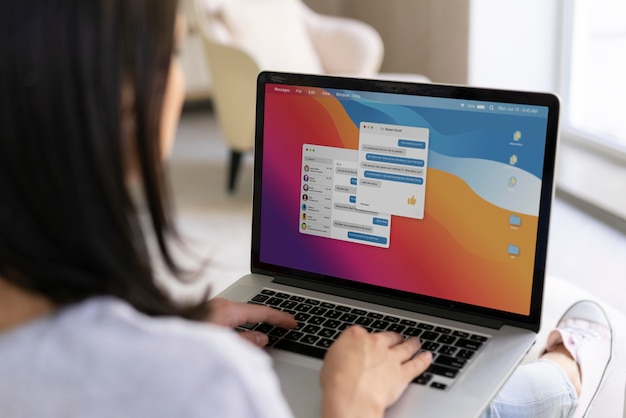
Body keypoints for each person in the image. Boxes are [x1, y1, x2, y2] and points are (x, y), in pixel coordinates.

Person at [0, 1, 612, 418]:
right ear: (124, 106)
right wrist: (350, 403)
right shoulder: (206, 383)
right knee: (505, 397)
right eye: (169, 57)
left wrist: (163, 329)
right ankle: (563, 381)